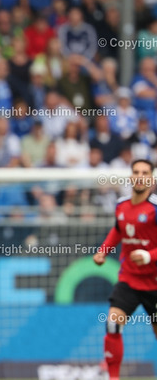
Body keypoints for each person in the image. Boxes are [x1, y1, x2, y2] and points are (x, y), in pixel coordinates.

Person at [94, 159, 157, 380]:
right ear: (131, 177)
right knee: (113, 323)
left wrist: (148, 256)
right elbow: (118, 230)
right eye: (136, 172)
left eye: (145, 173)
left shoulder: (155, 208)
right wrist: (103, 251)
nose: (140, 176)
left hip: (154, 282)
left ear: (151, 179)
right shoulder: (121, 205)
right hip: (129, 279)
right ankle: (113, 378)